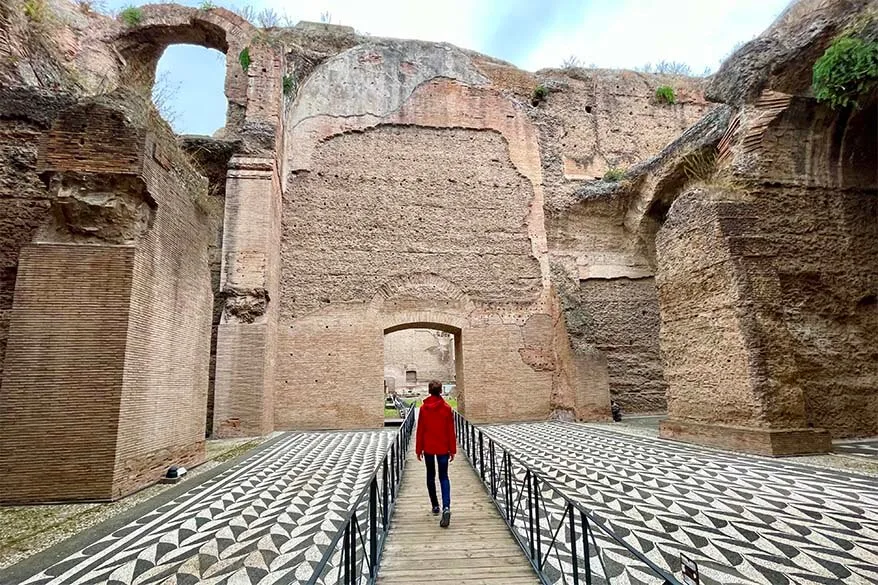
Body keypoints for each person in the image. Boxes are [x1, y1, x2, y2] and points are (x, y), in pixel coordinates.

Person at [415, 379, 456, 528]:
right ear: (440, 391)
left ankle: (435, 505)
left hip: (429, 448)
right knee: (444, 477)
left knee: (430, 476)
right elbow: (450, 431)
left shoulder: (424, 408)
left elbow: (420, 430)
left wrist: (418, 449)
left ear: (429, 390)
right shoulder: (446, 408)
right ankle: (446, 507)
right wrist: (453, 449)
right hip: (443, 448)